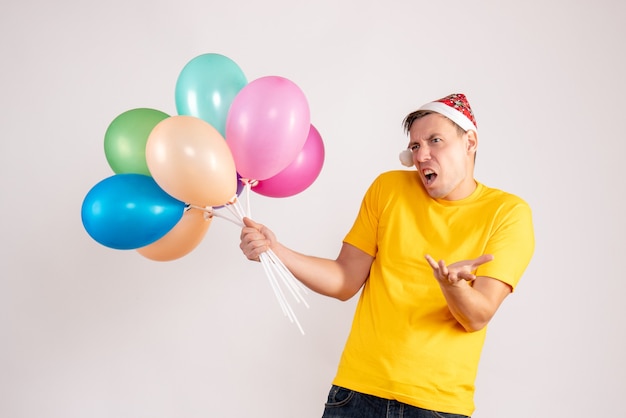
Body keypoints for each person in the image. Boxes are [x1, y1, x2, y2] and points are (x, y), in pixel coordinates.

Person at [239, 93, 535, 418]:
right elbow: (344, 280)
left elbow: (477, 316)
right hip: (355, 395)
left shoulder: (507, 213)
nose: (422, 155)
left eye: (435, 141)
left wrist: (452, 287)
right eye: (416, 146)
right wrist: (275, 250)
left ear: (470, 142)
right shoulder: (388, 188)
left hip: (435, 407)